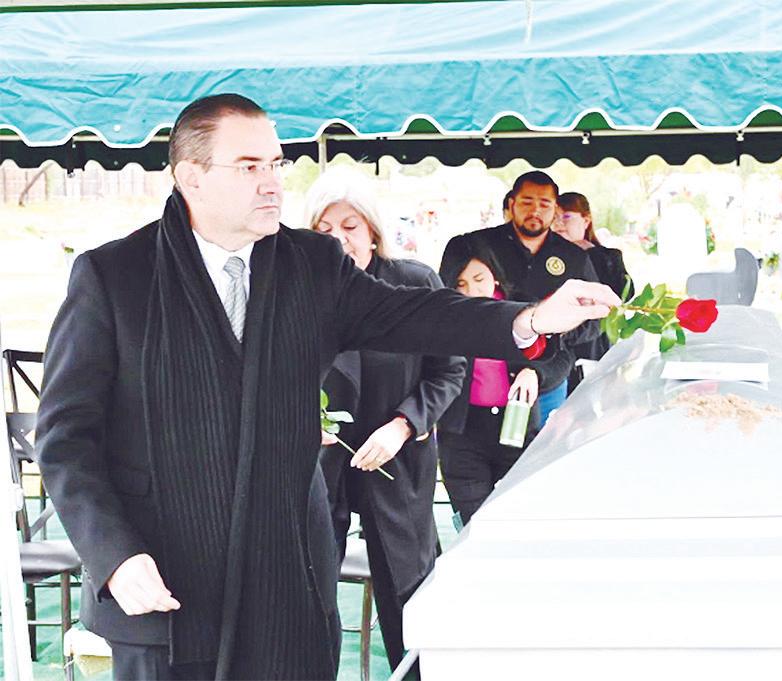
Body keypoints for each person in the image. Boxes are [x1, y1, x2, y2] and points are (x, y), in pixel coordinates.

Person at [33, 93, 619, 681]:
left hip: (288, 574)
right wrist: (114, 555)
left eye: (275, 164)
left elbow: (414, 314)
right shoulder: (115, 275)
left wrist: (532, 318)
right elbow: (65, 439)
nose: (272, 183)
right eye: (249, 166)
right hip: (160, 581)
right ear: (192, 177)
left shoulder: (311, 263)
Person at [305, 169, 465, 675]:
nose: (338, 239)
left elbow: (448, 371)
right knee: (310, 591)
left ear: (372, 231)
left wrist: (403, 425)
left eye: (349, 226)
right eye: (324, 229)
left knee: (407, 589)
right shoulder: (297, 291)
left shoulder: (413, 283)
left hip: (397, 459)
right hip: (321, 464)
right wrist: (298, 419)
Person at [442, 171, 600, 426]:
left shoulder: (574, 257)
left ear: (555, 209)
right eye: (527, 202)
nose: (535, 210)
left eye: (544, 204)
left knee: (542, 445)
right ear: (512, 203)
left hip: (549, 375)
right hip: (482, 379)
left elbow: (593, 319)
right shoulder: (478, 245)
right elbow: (445, 303)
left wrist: (554, 334)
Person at [437, 239, 547, 526]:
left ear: (494, 275)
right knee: (474, 523)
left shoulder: (523, 309)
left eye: (479, 279)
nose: (471, 291)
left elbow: (558, 356)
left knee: (523, 518)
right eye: (460, 284)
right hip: (462, 433)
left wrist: (533, 372)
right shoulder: (441, 316)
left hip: (517, 427)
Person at [554, 192, 631, 389]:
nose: (559, 223)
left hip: (595, 345)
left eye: (566, 216)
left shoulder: (609, 257)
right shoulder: (548, 259)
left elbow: (623, 296)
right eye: (554, 217)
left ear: (586, 220)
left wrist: (590, 254)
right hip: (559, 347)